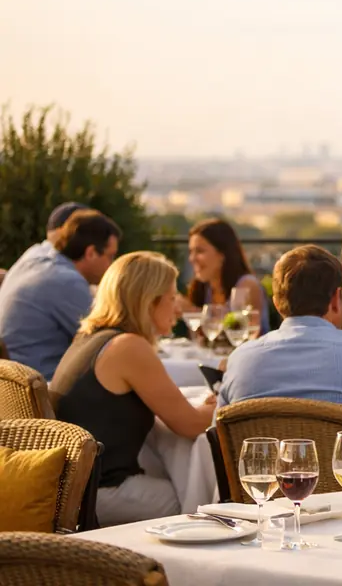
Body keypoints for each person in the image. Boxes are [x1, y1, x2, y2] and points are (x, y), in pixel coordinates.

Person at [51, 252, 216, 526]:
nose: (177, 309)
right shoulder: (128, 347)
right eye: (172, 298)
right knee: (196, 507)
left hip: (73, 488)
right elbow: (190, 425)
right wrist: (224, 405)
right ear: (149, 302)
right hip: (98, 493)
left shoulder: (90, 338)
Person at [219, 245, 342, 436]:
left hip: (263, 466)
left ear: (277, 303)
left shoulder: (239, 360)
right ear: (335, 299)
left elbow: (220, 437)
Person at [0, 210, 121, 380]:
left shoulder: (36, 255)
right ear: (91, 253)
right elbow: (108, 344)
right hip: (41, 387)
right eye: (110, 256)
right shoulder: (66, 281)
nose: (112, 265)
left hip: (13, 385)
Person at [177, 219, 268, 337]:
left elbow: (243, 332)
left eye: (199, 251)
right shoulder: (203, 287)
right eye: (191, 251)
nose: (192, 258)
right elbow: (200, 340)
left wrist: (192, 312)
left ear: (222, 255)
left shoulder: (247, 285)